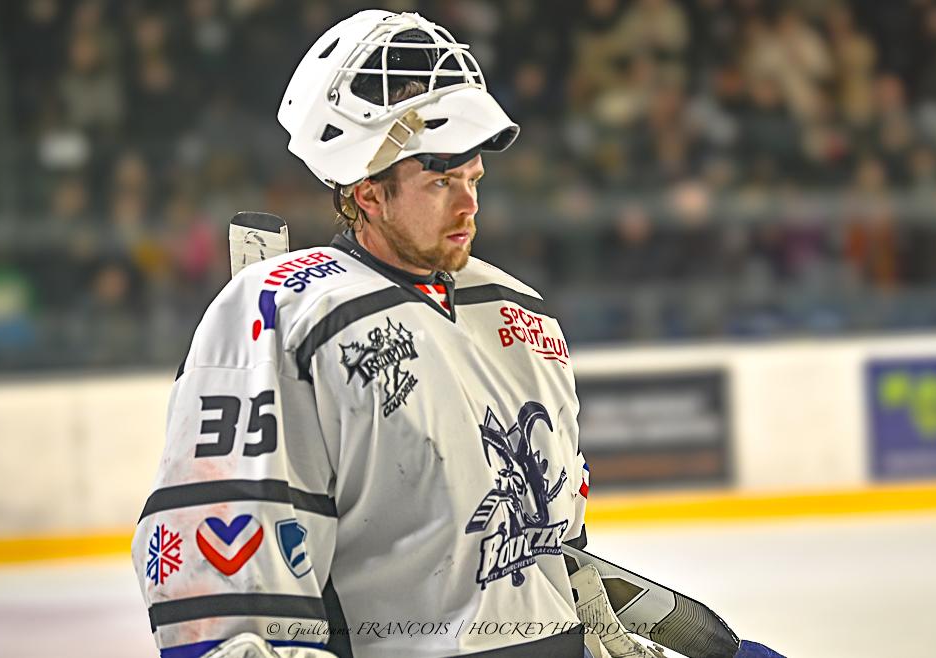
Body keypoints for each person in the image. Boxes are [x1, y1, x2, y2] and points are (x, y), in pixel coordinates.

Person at [131, 10, 591, 658]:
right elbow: (221, 590)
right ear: (368, 194)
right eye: (440, 181)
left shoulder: (520, 312)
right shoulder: (285, 316)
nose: (469, 205)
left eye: (472, 179)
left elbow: (551, 543)